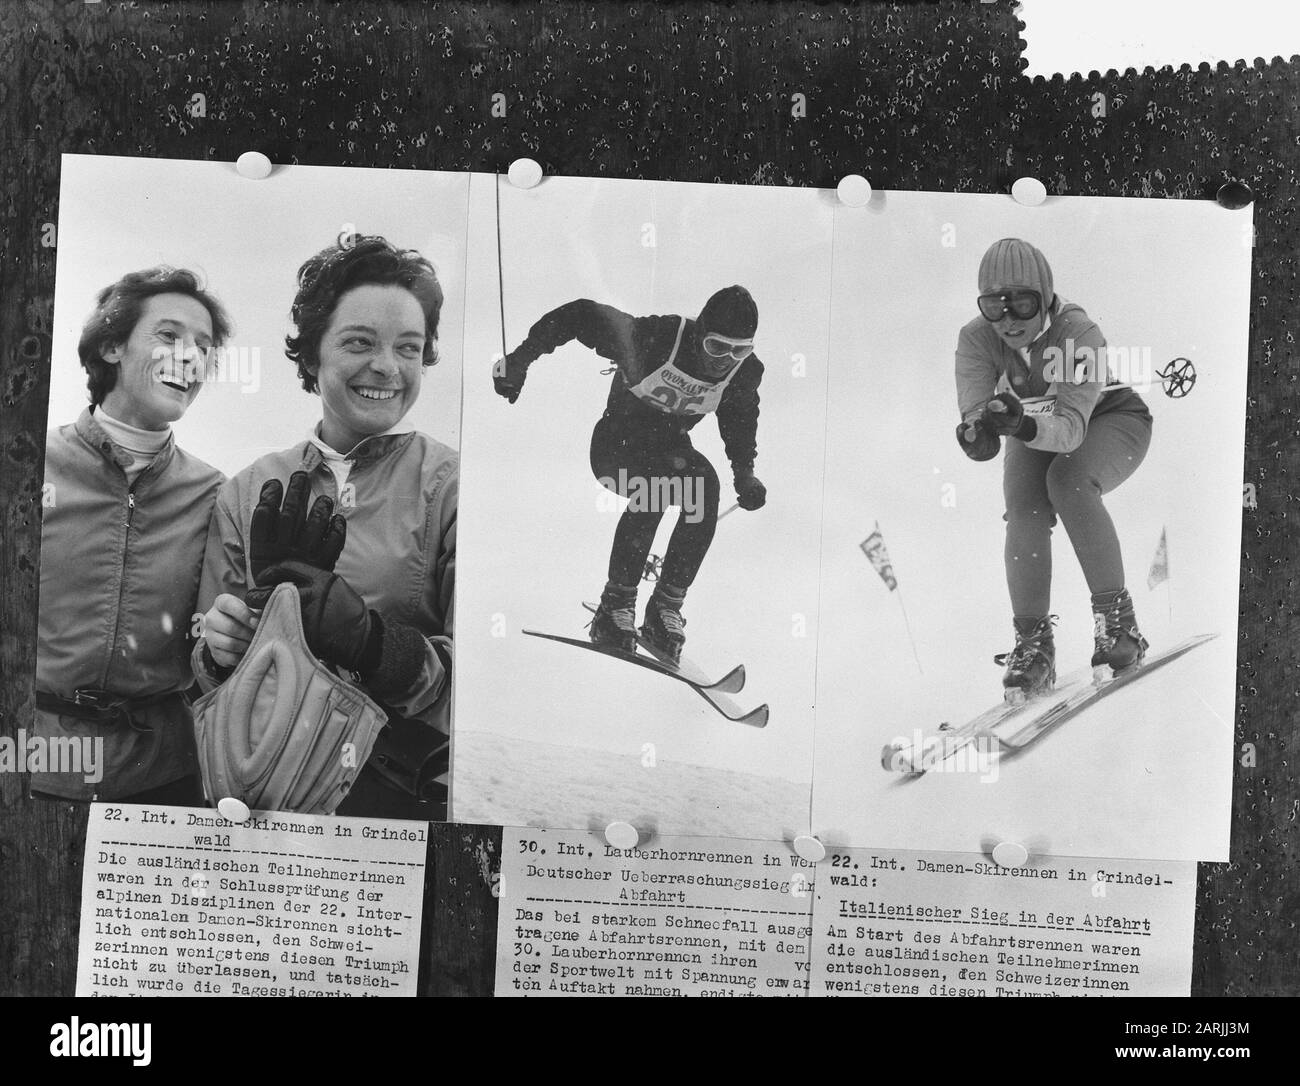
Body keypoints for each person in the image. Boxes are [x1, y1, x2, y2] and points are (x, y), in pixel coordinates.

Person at [193, 235, 456, 820]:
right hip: (265, 796)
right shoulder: (248, 488)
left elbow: (482, 692)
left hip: (400, 800)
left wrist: (373, 643)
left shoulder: (453, 485)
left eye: (409, 348)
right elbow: (207, 673)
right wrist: (220, 647)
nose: (387, 367)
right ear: (312, 355)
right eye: (359, 342)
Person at [34, 267, 230, 803]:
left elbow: (217, 655)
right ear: (113, 346)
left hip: (163, 778)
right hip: (34, 766)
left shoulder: (216, 494)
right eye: (168, 336)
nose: (190, 356)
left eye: (204, 346)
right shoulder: (28, 467)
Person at [494, 287, 766, 664]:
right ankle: (616, 604)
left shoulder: (742, 373)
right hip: (615, 449)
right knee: (660, 486)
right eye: (717, 347)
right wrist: (520, 360)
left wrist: (744, 473)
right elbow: (579, 314)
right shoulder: (658, 339)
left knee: (704, 486)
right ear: (699, 334)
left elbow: (740, 419)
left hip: (672, 455)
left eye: (739, 351)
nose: (725, 361)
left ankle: (665, 608)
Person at [955, 238, 1154, 700]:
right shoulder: (975, 338)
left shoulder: (1077, 333)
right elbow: (975, 415)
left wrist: (1020, 423)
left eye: (1022, 304)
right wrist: (978, 435)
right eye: (993, 306)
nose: (1008, 320)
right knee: (1023, 508)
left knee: (1067, 481)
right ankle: (1033, 647)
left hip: (1106, 419)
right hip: (1031, 426)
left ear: (1045, 297)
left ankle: (1118, 625)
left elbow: (1069, 431)